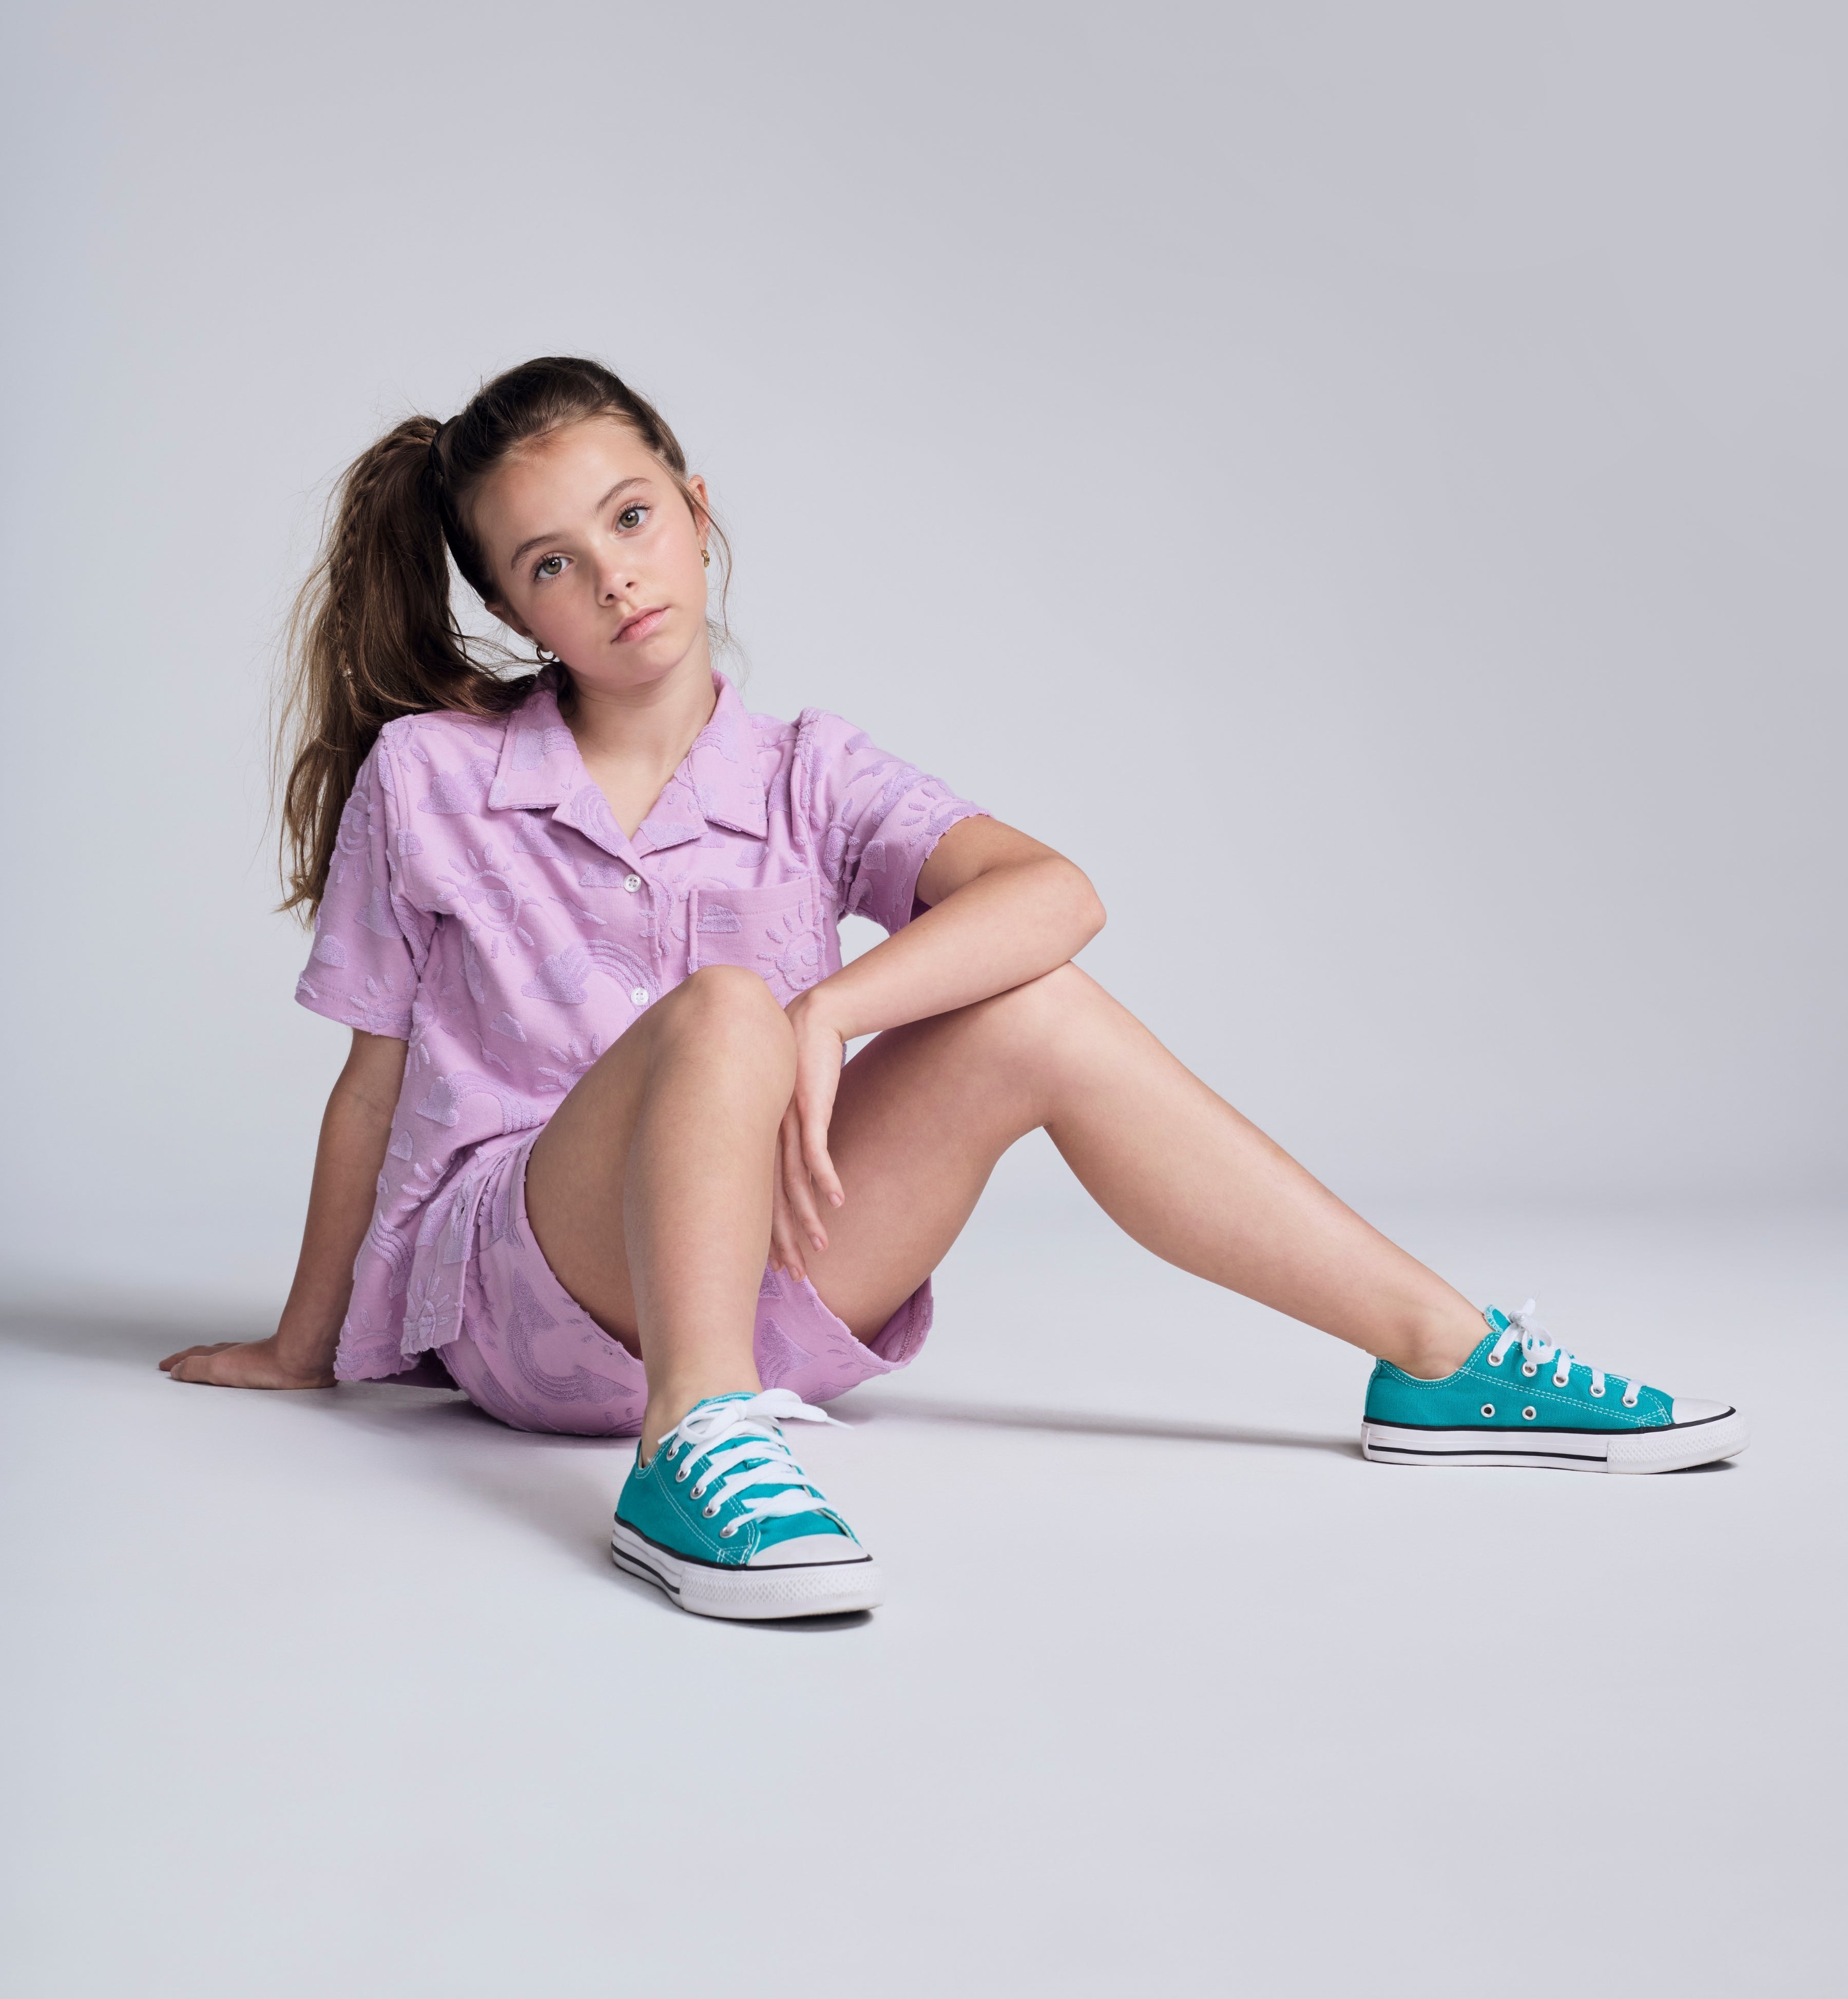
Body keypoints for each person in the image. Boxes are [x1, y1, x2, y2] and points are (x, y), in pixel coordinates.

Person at [160, 355, 1748, 1621]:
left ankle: (1439, 1351)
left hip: (779, 1267)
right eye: (554, 564)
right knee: (722, 1006)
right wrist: (310, 1343)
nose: (617, 579)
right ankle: (687, 1446)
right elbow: (372, 1077)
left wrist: (833, 1010)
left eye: (633, 518)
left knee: (1029, 1006)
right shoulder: (432, 777)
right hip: (536, 1287)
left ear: (698, 510)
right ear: (514, 609)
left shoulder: (807, 773)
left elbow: (1060, 893)